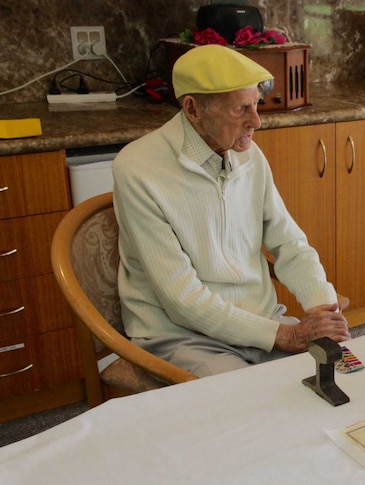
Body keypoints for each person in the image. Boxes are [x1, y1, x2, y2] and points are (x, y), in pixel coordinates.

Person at [112, 44, 350, 377]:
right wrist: (284, 334)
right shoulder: (138, 169)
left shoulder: (249, 156)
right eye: (241, 109)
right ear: (193, 109)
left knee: (343, 374)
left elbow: (290, 244)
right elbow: (182, 300)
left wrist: (323, 308)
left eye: (257, 105)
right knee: (253, 408)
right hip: (182, 337)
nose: (257, 122)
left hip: (261, 321)